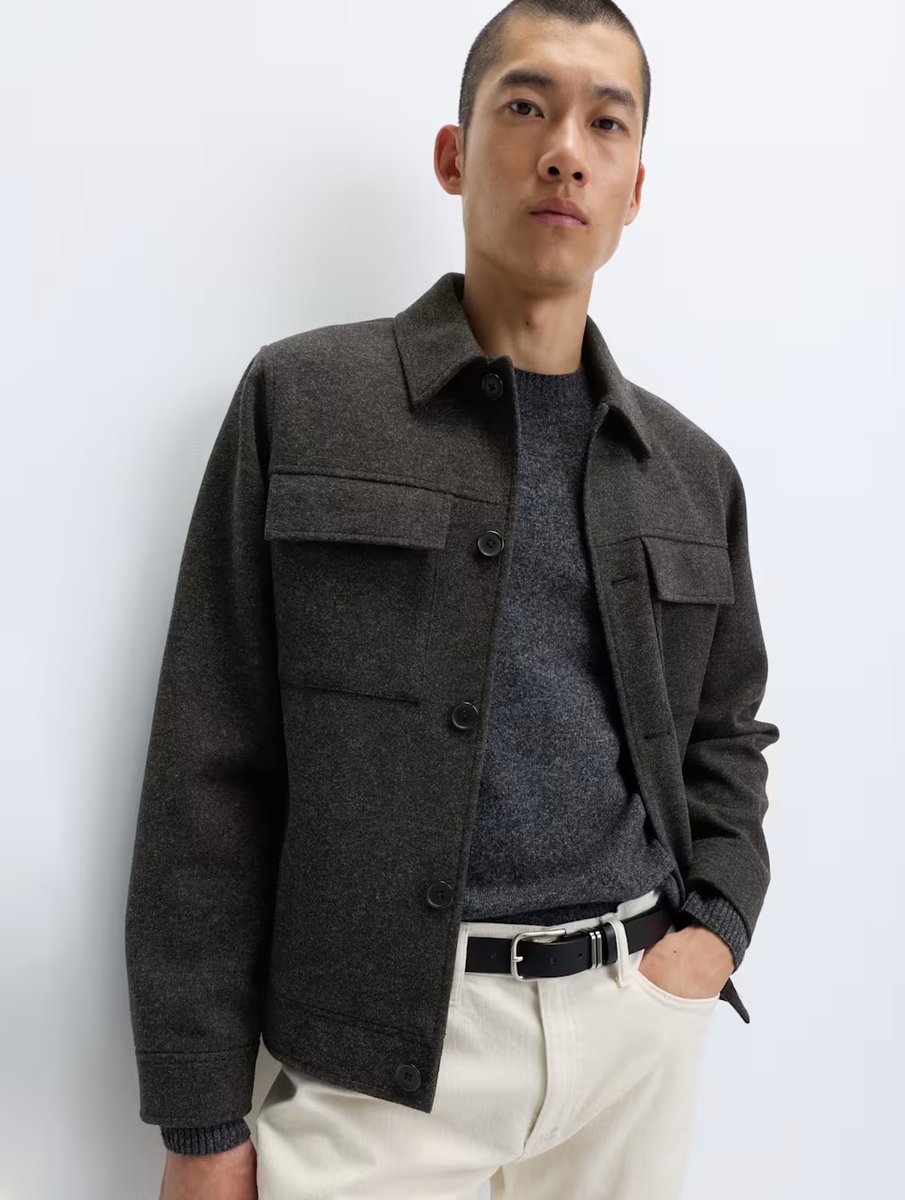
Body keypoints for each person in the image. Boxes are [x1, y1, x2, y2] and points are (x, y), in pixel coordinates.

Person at [125, 1, 780, 1197]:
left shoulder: (691, 473)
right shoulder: (302, 401)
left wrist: (714, 933)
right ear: (453, 152)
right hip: (377, 1058)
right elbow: (206, 761)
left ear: (634, 188)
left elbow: (725, 737)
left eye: (606, 123)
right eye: (525, 105)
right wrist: (199, 1115)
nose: (564, 149)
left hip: (631, 1034)